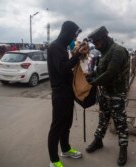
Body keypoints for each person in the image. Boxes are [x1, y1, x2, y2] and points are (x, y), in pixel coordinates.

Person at [86, 26, 130, 166]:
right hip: (105, 91)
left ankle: (123, 148)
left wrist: (93, 83)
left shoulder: (117, 51)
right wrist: (91, 75)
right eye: (95, 44)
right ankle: (98, 141)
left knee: (120, 121)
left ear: (104, 39)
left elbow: (111, 72)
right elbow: (101, 70)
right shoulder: (104, 52)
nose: (96, 46)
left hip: (116, 92)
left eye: (98, 43)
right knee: (103, 117)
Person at [47, 20, 88, 167]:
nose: (74, 38)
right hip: (59, 94)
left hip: (67, 92)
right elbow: (63, 68)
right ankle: (53, 160)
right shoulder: (55, 47)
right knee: (57, 126)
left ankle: (65, 149)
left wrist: (78, 55)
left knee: (67, 123)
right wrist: (76, 55)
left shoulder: (63, 47)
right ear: (67, 32)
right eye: (73, 35)